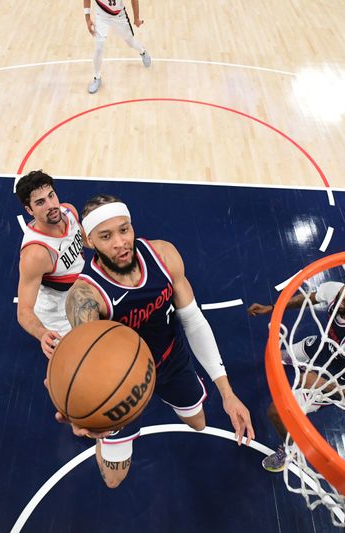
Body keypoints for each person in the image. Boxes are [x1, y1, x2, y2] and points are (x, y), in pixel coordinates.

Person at [60, 194, 254, 488]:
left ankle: (169, 396)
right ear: (89, 241)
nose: (120, 242)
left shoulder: (163, 256)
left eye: (124, 230)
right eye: (106, 236)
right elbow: (87, 364)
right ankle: (106, 442)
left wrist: (227, 393)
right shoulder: (86, 297)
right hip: (121, 384)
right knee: (114, 479)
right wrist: (83, 413)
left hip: (170, 360)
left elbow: (193, 320)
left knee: (198, 423)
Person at [247, 272, 345, 472]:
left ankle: (290, 450)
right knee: (279, 356)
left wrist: (320, 384)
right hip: (321, 348)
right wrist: (274, 308)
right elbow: (309, 298)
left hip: (335, 377)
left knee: (275, 412)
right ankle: (299, 365)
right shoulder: (336, 291)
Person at [14, 170, 85, 359]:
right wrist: (42, 333)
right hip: (59, 315)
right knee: (77, 365)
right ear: (29, 210)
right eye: (40, 202)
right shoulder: (36, 253)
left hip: (82, 294)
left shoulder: (69, 211)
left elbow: (83, 238)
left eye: (51, 195)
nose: (52, 205)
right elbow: (23, 311)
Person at [83, 0, 151, 94]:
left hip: (119, 16)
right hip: (101, 16)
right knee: (99, 46)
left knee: (130, 42)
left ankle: (142, 51)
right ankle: (97, 77)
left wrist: (136, 18)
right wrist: (87, 18)